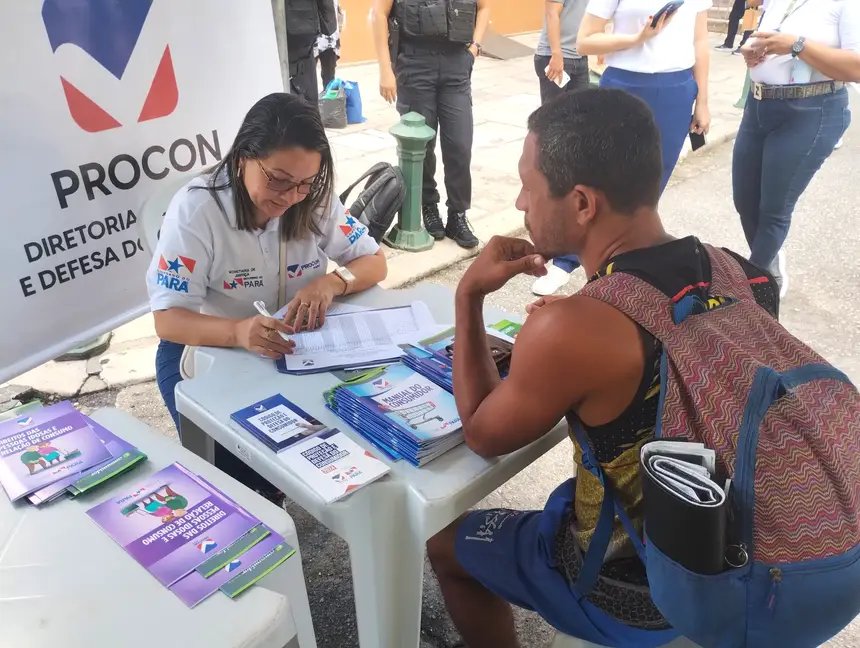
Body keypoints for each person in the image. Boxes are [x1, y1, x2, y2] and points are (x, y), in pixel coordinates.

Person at [425, 89, 784, 648]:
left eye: (529, 185)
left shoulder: (574, 327)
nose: (520, 202)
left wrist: (469, 294)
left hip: (631, 588)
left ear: (583, 204)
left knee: (445, 549)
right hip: (727, 551)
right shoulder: (744, 275)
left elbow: (482, 432)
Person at [147, 93, 387, 500]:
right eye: (277, 179)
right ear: (243, 157)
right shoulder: (197, 210)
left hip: (292, 346)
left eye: (305, 183)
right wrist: (240, 332)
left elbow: (374, 262)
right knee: (239, 483)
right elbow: (168, 321)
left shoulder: (314, 200)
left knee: (355, 431)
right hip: (208, 350)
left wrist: (331, 283)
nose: (290, 196)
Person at [734, 0, 859, 297]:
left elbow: (856, 67)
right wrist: (754, 52)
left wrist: (798, 45)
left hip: (811, 109)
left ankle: (752, 287)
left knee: (774, 209)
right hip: (758, 107)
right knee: (745, 200)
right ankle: (767, 264)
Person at [371, 0, 492, 249]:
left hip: (456, 62)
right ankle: (429, 205)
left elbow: (485, 6)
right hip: (415, 63)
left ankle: (457, 215)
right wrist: (385, 68)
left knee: (460, 144)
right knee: (421, 144)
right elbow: (378, 14)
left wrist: (475, 47)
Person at [577, 0, 712, 192]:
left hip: (676, 93)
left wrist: (703, 102)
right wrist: (637, 39)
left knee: (657, 177)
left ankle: (641, 222)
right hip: (623, 90)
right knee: (613, 176)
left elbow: (700, 41)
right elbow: (584, 42)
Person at [531, 0, 592, 296]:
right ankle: (550, 245)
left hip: (579, 60)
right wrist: (556, 54)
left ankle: (565, 253)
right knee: (556, 149)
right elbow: (551, 12)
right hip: (555, 57)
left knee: (578, 149)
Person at [286, 0, 338, 105]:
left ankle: (329, 108)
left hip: (301, 30)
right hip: (302, 30)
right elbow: (329, 22)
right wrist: (328, 22)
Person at [315, 0, 343, 92]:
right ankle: (309, 104)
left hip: (331, 38)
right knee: (308, 80)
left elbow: (337, 9)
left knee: (330, 80)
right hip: (312, 38)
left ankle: (329, 104)